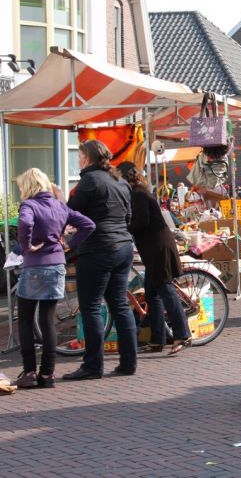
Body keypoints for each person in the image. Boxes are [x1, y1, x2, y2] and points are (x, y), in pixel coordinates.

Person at [13, 169, 95, 388]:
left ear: (28, 186)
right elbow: (88, 224)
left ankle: (29, 372)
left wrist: (27, 246)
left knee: (25, 319)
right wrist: (70, 243)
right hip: (57, 264)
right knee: (48, 321)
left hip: (35, 266)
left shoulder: (29, 205)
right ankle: (47, 375)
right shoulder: (60, 206)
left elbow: (25, 223)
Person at [63, 140, 138, 380]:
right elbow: (128, 217)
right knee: (120, 305)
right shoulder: (121, 181)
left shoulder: (90, 181)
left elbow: (69, 213)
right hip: (123, 246)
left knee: (91, 307)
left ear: (87, 158)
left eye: (79, 156)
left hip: (98, 249)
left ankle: (93, 366)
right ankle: (128, 363)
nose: (78, 161)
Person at [118, 162, 192, 355]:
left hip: (157, 249)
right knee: (152, 294)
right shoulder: (138, 192)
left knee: (165, 289)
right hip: (152, 249)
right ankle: (158, 339)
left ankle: (183, 334)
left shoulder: (138, 194)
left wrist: (123, 227)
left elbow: (142, 221)